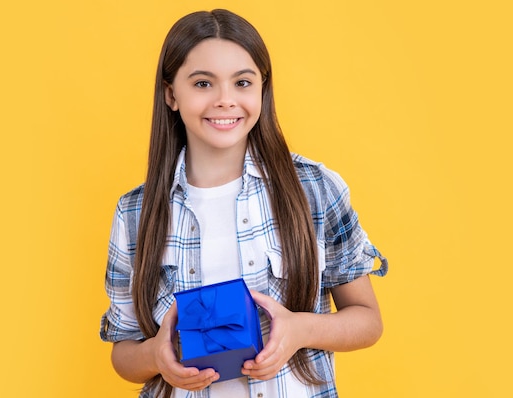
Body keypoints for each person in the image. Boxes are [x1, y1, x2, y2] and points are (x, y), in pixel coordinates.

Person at [99, 9, 388, 398]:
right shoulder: (135, 212)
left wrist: (299, 330)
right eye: (203, 83)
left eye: (242, 82)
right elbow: (124, 352)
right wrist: (158, 356)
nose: (225, 100)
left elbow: (368, 321)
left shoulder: (315, 188)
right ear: (171, 94)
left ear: (261, 90)